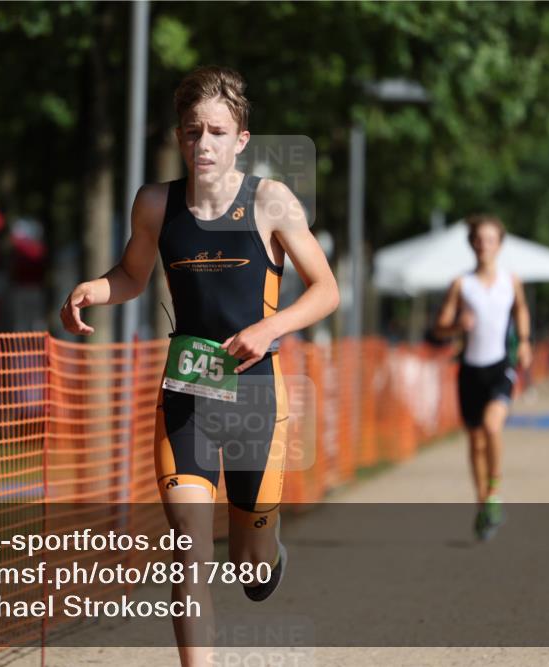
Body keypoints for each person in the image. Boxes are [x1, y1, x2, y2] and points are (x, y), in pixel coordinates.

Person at [61, 66, 339, 666]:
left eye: (217, 131)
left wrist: (269, 328)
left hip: (256, 399)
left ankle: (268, 551)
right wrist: (94, 289)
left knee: (250, 566)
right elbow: (132, 276)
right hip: (186, 390)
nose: (203, 144)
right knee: (188, 546)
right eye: (192, 132)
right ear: (178, 137)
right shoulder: (156, 204)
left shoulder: (270, 202)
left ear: (240, 138)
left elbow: (325, 290)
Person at [434, 215, 532, 540]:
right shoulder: (462, 284)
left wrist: (526, 341)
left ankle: (494, 491)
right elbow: (440, 326)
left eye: (490, 239)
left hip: (500, 366)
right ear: (472, 244)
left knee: (492, 426)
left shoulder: (510, 280)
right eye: (478, 239)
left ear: (499, 245)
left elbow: (520, 309)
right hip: (470, 371)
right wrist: (456, 325)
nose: (483, 245)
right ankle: (483, 505)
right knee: (475, 442)